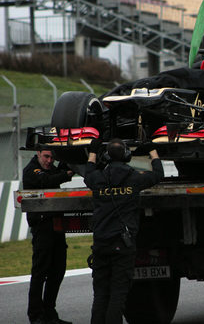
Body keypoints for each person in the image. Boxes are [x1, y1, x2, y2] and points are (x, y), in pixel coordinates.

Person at [84, 138, 164, 324]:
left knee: (100, 295)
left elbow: (88, 173)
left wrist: (93, 152)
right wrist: (152, 152)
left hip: (101, 243)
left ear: (106, 157)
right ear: (127, 156)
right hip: (122, 244)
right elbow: (158, 174)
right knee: (118, 295)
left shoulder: (97, 179)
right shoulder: (134, 178)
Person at [23, 147, 74, 324]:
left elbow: (57, 172)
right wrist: (67, 174)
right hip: (42, 226)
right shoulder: (31, 170)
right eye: (46, 156)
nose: (49, 160)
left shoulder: (51, 168)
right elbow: (46, 180)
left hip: (56, 225)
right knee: (40, 271)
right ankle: (36, 315)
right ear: (38, 154)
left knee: (58, 270)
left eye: (52, 157)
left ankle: (49, 312)